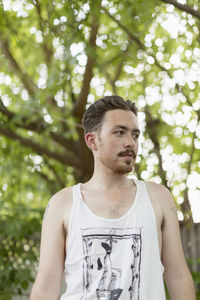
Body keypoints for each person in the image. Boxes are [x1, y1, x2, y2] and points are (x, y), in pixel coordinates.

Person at [30, 95, 196, 300]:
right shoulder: (62, 203)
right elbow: (45, 288)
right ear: (92, 141)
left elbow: (178, 276)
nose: (130, 143)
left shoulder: (158, 198)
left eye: (135, 135)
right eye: (119, 133)